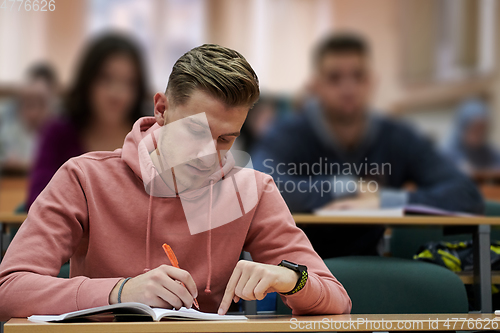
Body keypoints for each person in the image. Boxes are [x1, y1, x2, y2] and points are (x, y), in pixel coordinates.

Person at [0, 44, 351, 320]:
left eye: (226, 139)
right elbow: (8, 289)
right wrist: (121, 292)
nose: (209, 157)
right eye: (195, 132)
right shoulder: (84, 178)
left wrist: (293, 280)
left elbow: (337, 300)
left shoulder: (252, 191)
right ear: (162, 109)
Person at [251, 33, 484, 258]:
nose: (348, 88)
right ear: (315, 86)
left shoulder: (397, 137)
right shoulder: (290, 134)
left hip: (376, 270)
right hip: (297, 269)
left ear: (372, 81)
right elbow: (259, 186)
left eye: (358, 76)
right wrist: (349, 188)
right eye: (334, 78)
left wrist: (384, 201)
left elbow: (466, 194)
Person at [26, 32, 148, 209]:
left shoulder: (149, 136)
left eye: (129, 82)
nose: (117, 93)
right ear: (88, 80)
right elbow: (37, 200)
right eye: (106, 79)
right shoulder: (58, 132)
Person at [0, 63, 58, 173]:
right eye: (28, 105)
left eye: (41, 105)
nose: (34, 113)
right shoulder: (10, 131)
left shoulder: (58, 134)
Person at [442, 98, 500, 173]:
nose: (479, 134)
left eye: (483, 129)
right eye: (475, 129)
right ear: (463, 127)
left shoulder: (489, 152)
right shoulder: (447, 153)